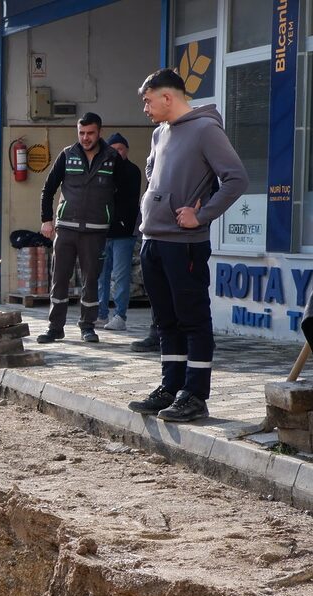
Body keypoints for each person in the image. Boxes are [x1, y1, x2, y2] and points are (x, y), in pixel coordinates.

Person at [126, 68, 248, 423]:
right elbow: (155, 176)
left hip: (185, 244)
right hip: (153, 239)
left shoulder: (206, 129)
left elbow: (236, 177)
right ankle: (171, 387)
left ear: (168, 97)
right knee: (165, 321)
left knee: (192, 320)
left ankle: (195, 394)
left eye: (148, 101)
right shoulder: (159, 134)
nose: (145, 108)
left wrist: (203, 214)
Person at [37, 112, 121, 345]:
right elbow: (48, 188)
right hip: (66, 229)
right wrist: (46, 219)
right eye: (81, 133)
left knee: (91, 280)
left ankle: (87, 327)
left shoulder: (112, 158)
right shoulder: (67, 155)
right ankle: (55, 328)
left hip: (96, 230)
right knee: (59, 279)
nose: (85, 137)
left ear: (99, 132)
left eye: (90, 133)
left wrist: (117, 223)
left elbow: (124, 192)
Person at [98, 133, 142, 331]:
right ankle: (100, 314)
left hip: (124, 233)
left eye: (120, 149)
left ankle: (120, 315)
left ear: (127, 150)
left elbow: (123, 193)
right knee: (100, 276)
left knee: (121, 275)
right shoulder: (101, 169)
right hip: (102, 232)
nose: (116, 153)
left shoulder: (132, 171)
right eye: (112, 149)